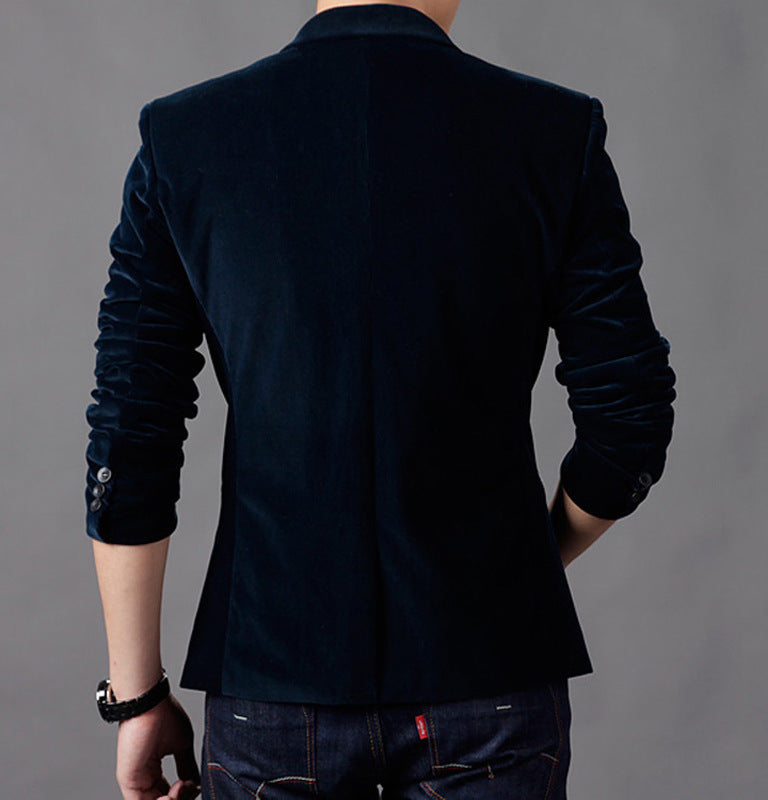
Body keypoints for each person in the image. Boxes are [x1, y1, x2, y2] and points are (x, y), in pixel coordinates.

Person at [83, 2, 677, 798]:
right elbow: (630, 422)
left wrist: (136, 697)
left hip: (271, 675)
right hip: (491, 671)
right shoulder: (555, 132)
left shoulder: (184, 136)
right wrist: (517, 563)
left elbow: (130, 439)